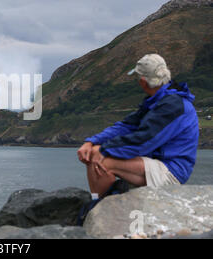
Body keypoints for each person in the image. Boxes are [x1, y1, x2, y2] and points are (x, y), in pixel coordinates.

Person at [77, 54, 199, 197]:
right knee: (95, 153)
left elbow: (144, 141)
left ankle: (99, 207)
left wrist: (104, 149)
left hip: (171, 170)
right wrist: (92, 141)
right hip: (156, 163)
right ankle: (100, 205)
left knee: (101, 161)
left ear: (142, 81)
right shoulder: (159, 100)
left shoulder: (172, 105)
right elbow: (125, 126)